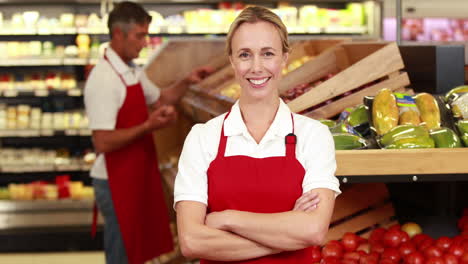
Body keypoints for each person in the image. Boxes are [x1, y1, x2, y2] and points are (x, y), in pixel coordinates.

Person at [174, 6, 341, 263]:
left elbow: (314, 230)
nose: (256, 67)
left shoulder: (313, 136)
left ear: (285, 57)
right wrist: (288, 236)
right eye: (244, 55)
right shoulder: (202, 138)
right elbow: (192, 241)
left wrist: (226, 218)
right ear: (231, 60)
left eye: (268, 54)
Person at [84, 2, 210, 264]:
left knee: (137, 251)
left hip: (134, 174)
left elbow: (161, 98)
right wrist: (148, 126)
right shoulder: (103, 79)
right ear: (118, 34)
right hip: (113, 181)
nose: (144, 43)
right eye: (139, 36)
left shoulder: (130, 70)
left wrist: (187, 81)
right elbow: (102, 141)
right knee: (122, 253)